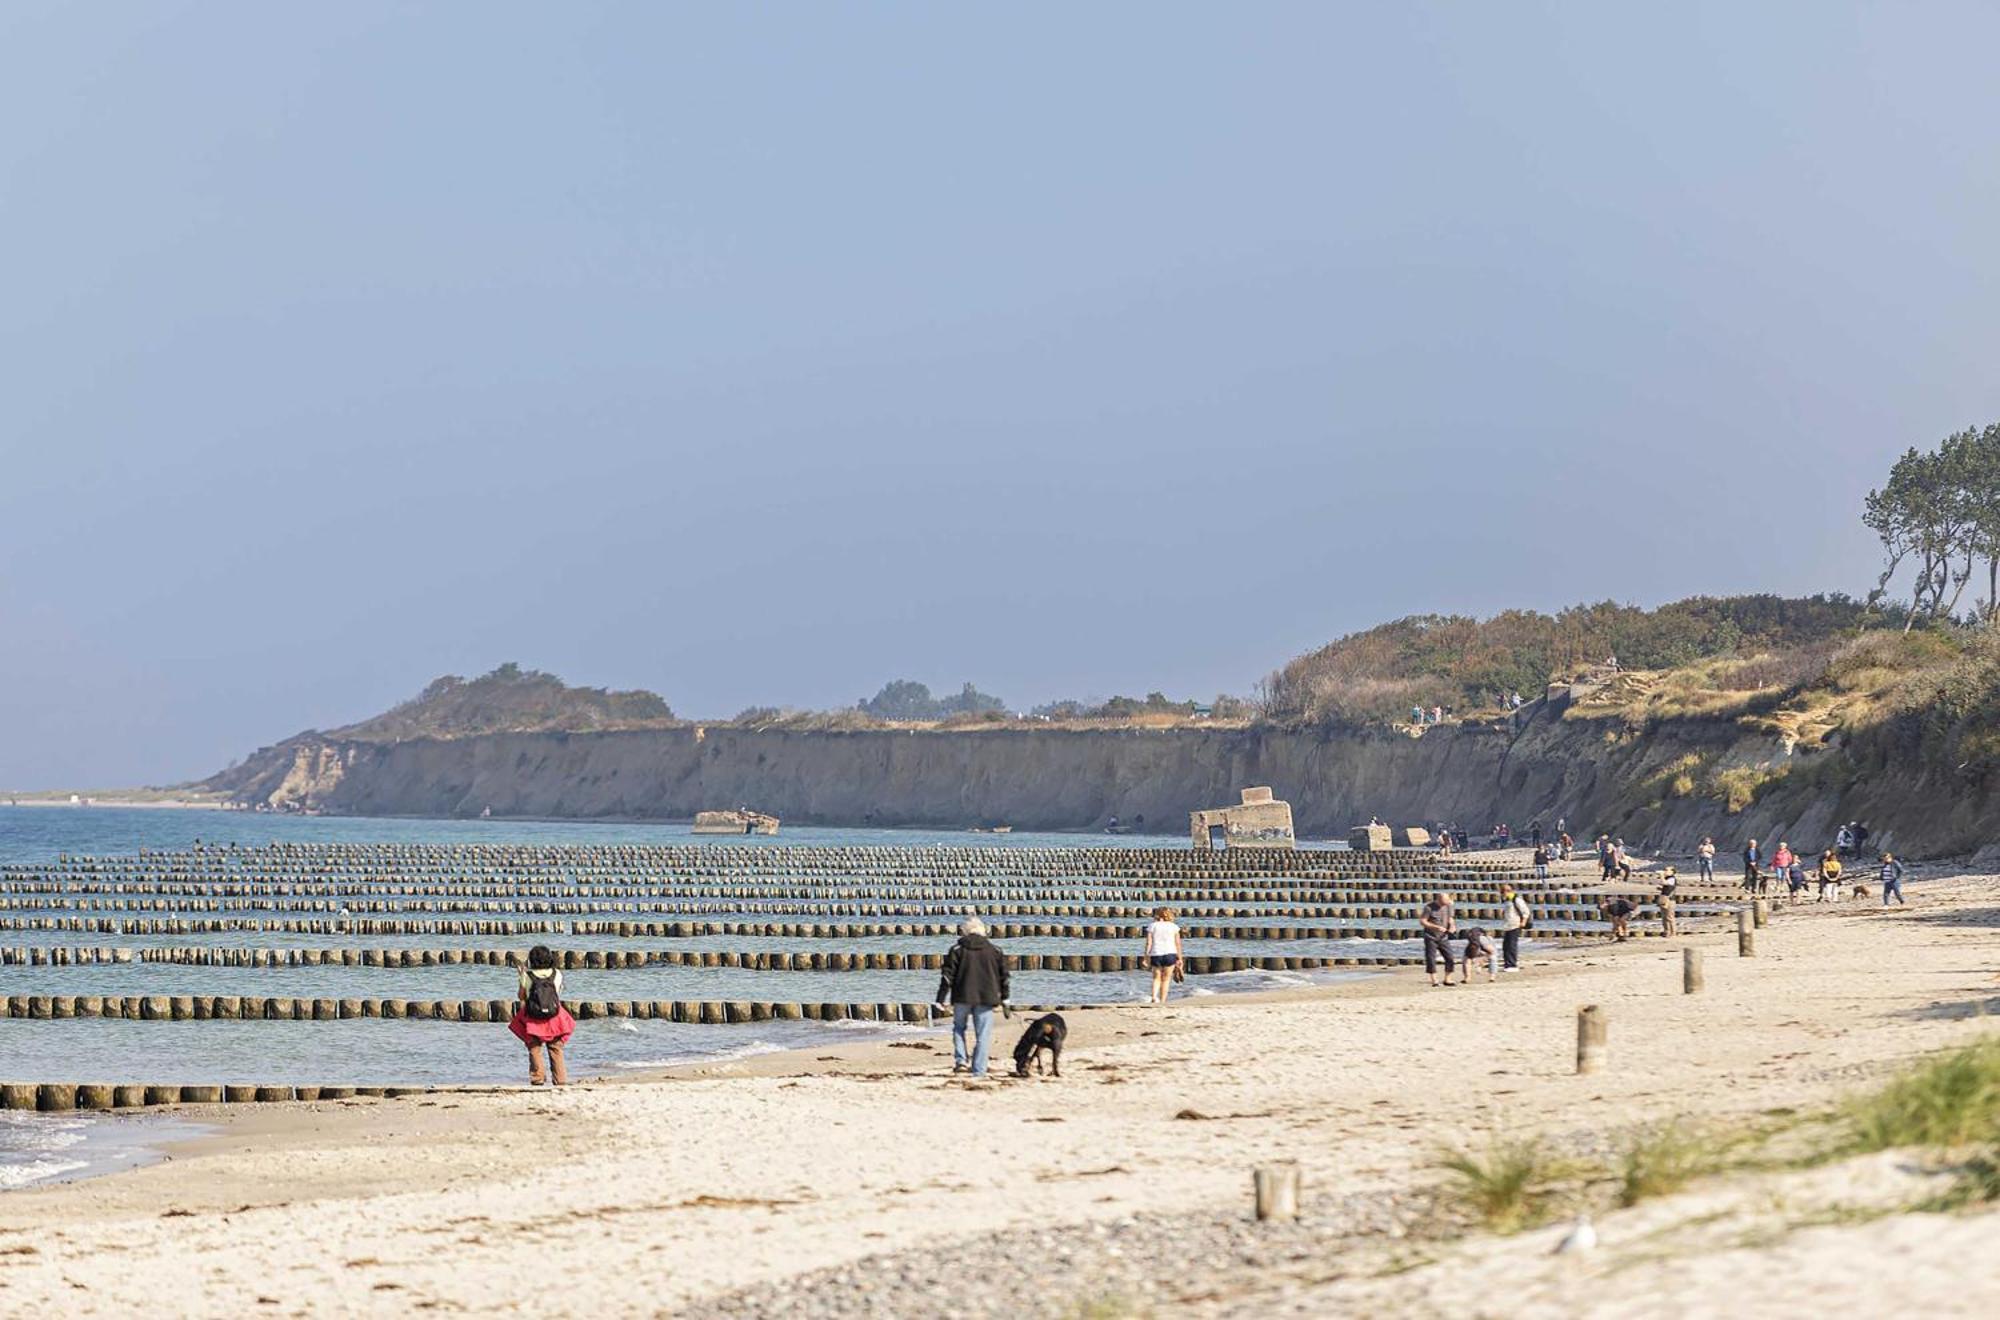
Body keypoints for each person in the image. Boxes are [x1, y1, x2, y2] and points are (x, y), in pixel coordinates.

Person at [935, 915, 1010, 1076]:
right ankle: (979, 1069)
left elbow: (947, 976)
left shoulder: (956, 950)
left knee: (959, 1028)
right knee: (983, 1034)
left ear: (965, 932)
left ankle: (961, 1061)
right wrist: (1005, 998)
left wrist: (940, 998)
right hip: (986, 997)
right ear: (983, 931)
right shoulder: (995, 950)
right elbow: (1004, 976)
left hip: (962, 995)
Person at [509, 944, 575, 1086]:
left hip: (534, 1016)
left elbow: (521, 996)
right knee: (556, 1047)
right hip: (554, 1016)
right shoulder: (557, 974)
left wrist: (521, 977)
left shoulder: (527, 976)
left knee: (534, 1048)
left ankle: (537, 1078)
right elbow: (557, 993)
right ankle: (560, 1079)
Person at [1142, 906, 1183, 1006]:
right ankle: (1163, 1001)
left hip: (1156, 953)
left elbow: (1149, 943)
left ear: (1157, 915)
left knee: (1156, 978)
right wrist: (1180, 958)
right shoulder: (1174, 926)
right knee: (1166, 979)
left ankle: (1153, 997)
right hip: (1170, 954)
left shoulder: (1152, 926)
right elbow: (1177, 943)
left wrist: (1146, 956)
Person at [1419, 891, 1457, 987]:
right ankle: (1434, 981)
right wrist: (1435, 927)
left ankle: (1447, 979)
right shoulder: (1429, 907)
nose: (1446, 903)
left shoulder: (1449, 905)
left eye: (1447, 901)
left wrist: (1452, 926)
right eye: (1444, 902)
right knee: (1431, 958)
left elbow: (1451, 918)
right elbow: (1423, 921)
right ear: (1438, 900)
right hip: (1430, 936)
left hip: (1444, 937)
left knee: (1450, 957)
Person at [1498, 882, 1530, 972]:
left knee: (1511, 945)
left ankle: (1512, 965)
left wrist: (1523, 922)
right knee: (1506, 946)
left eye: (1502, 891)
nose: (1501, 893)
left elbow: (1526, 911)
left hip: (1515, 925)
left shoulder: (1516, 900)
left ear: (1507, 891)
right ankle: (1507, 964)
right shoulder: (1508, 900)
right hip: (1507, 925)